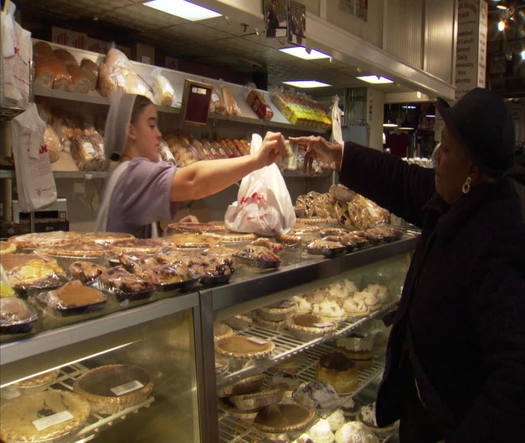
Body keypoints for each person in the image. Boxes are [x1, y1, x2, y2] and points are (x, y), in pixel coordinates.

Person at [291, 87, 525, 443]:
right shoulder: (456, 202)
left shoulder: (498, 243)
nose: (435, 159)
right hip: (423, 405)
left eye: (446, 149)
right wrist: (338, 156)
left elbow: (514, 378)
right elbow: (400, 180)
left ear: (472, 170)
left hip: (453, 421)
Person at [96, 92, 286, 237]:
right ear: (131, 131)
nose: (159, 134)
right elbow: (193, 180)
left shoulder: (122, 172)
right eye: (152, 125)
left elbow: (134, 242)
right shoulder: (134, 174)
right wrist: (256, 160)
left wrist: (169, 234)